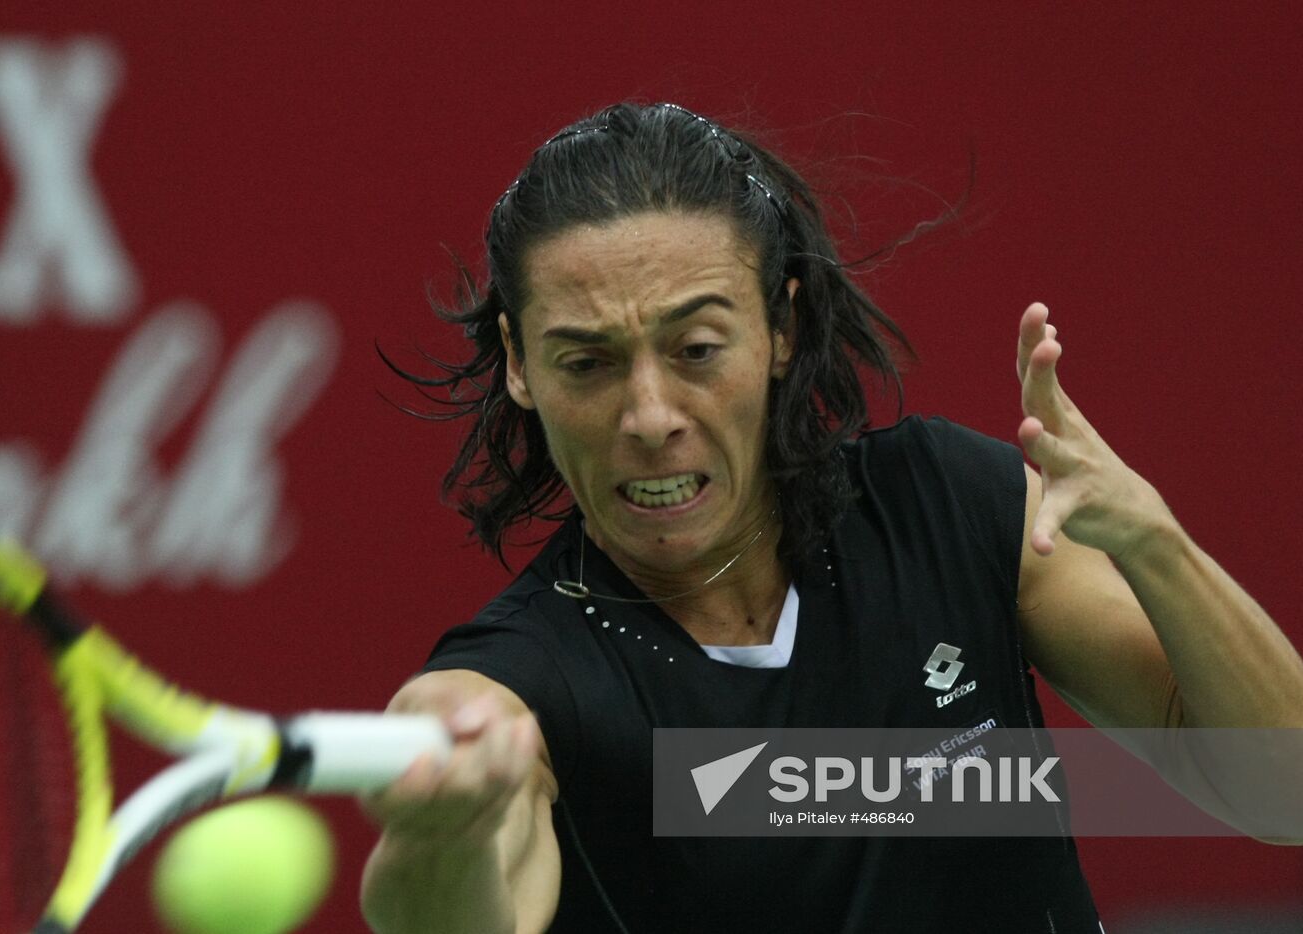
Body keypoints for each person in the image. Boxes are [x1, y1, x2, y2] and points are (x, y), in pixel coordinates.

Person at [358, 102, 1303, 933]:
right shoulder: (525, 683)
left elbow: (1282, 792)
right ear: (519, 362)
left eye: (695, 347)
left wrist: (1155, 543)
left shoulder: (948, 506)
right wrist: (445, 827)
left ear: (781, 327)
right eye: (587, 364)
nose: (649, 417)